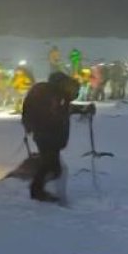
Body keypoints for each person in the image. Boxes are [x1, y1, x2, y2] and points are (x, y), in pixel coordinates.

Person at [21, 72, 95, 202]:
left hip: (48, 134)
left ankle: (41, 190)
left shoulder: (54, 94)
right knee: (50, 165)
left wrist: (82, 109)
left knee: (51, 165)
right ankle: (38, 191)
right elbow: (57, 111)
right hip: (47, 135)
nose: (72, 93)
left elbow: (64, 109)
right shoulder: (54, 95)